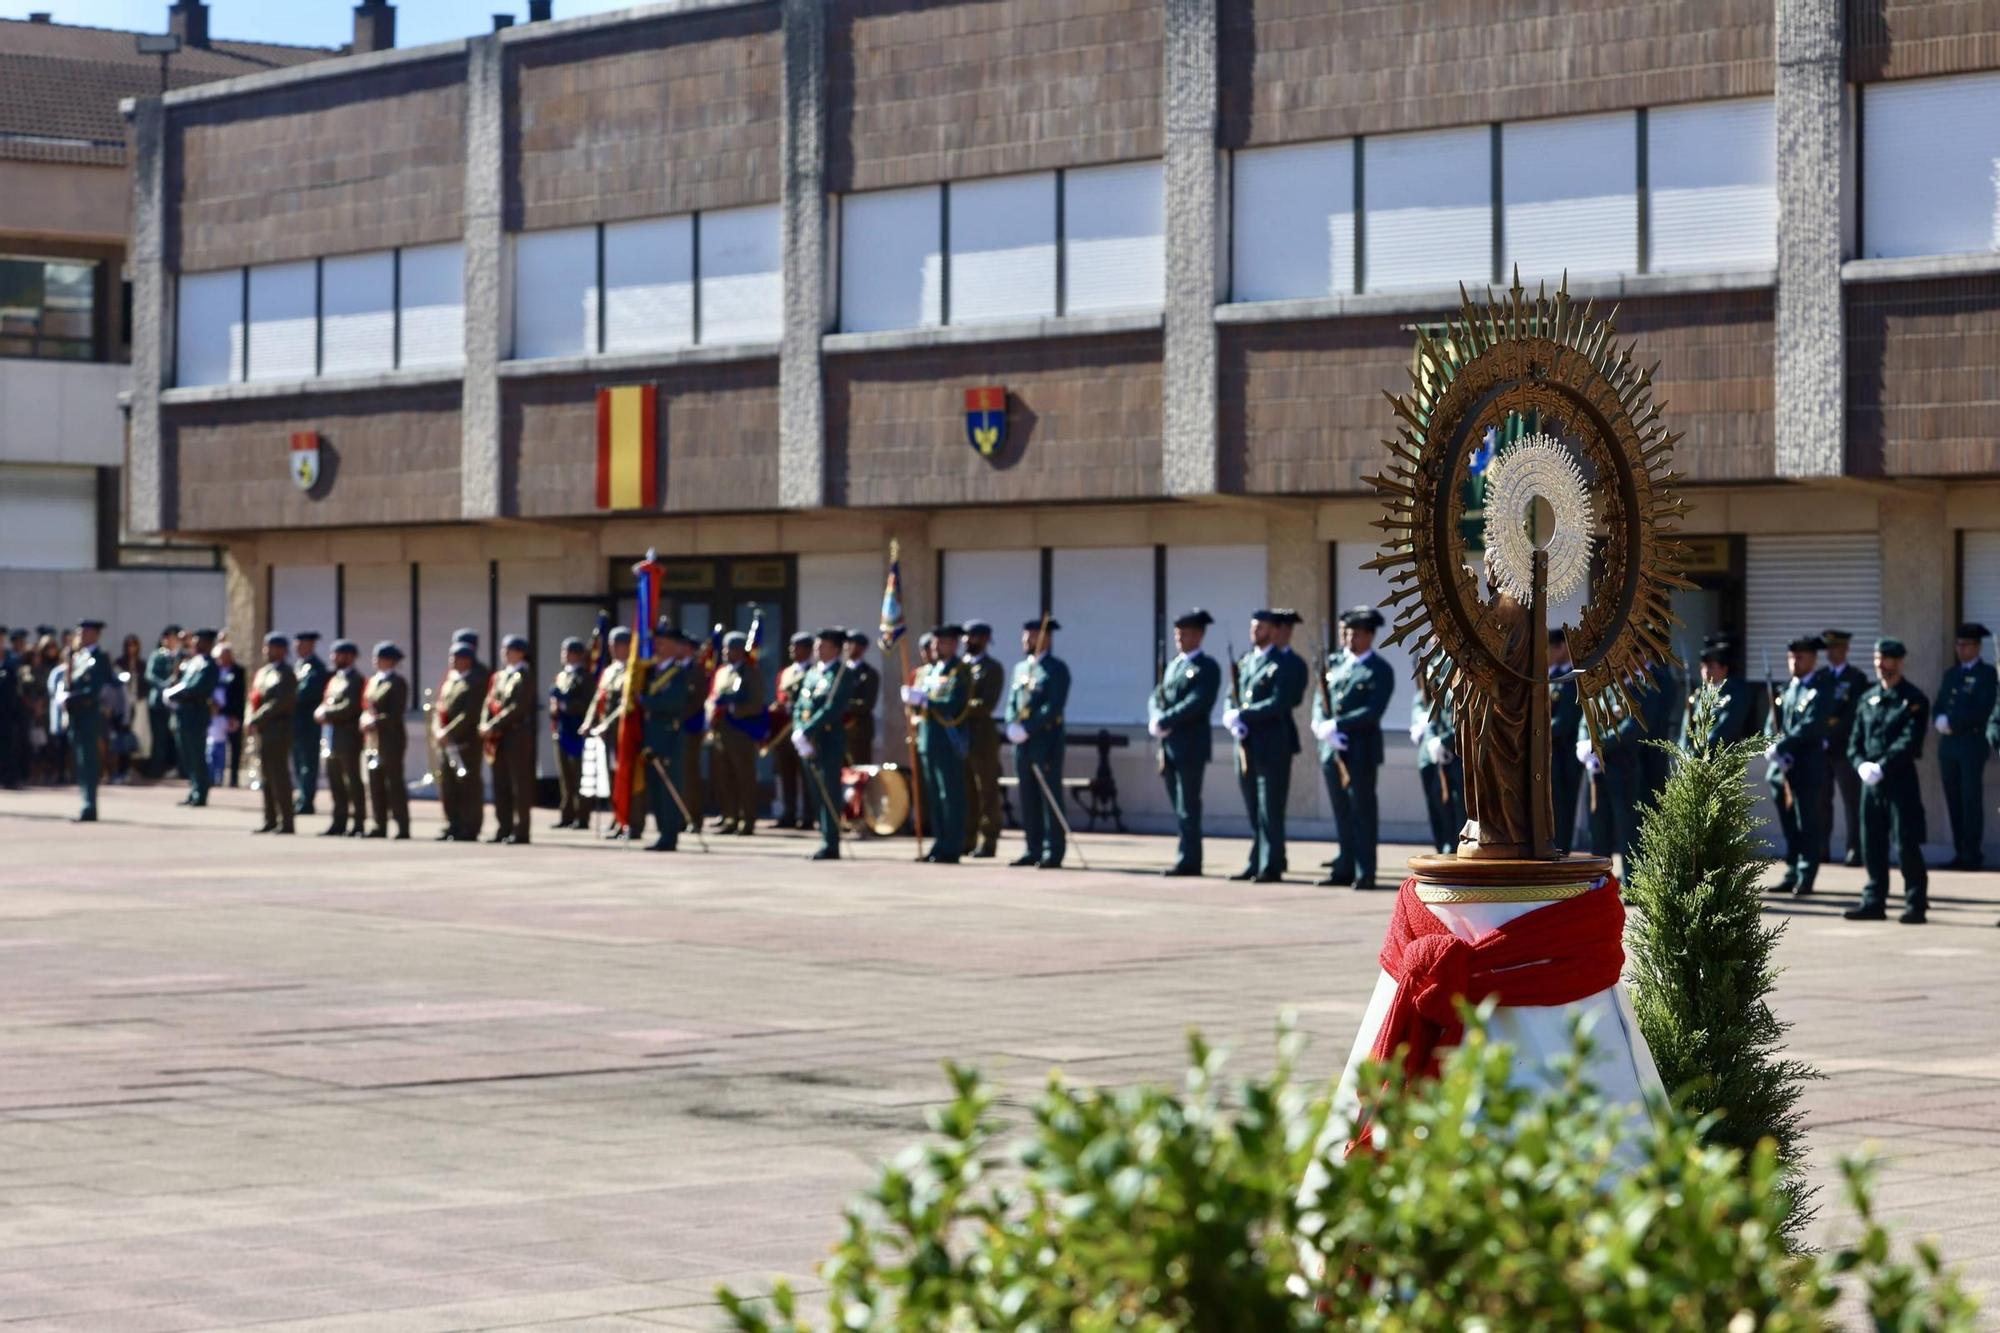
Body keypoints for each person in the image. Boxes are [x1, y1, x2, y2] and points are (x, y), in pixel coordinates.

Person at [1844, 637, 1931, 925]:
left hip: (1899, 780)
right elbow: (1854, 740)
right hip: (1871, 783)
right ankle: (1874, 900)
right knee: (1871, 843)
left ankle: (1915, 903)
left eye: (1887, 659)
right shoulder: (1867, 698)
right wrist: (1860, 765)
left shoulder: (1913, 699)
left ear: (1900, 661)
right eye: (1878, 659)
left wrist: (1882, 766)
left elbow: (1909, 741)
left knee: (1906, 843)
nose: (1881, 665)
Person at [1312, 606, 1396, 890]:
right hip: (1332, 751)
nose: (1349, 638)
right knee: (1341, 811)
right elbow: (1319, 698)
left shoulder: (1379, 670)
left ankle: (1365, 870)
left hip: (1360, 750)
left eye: (1356, 634)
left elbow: (1373, 710)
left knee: (1362, 811)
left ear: (1370, 636)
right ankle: (1344, 866)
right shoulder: (1334, 664)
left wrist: (1339, 725)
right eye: (1346, 633)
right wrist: (1322, 725)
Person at [1225, 609, 1307, 883]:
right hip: (1246, 744)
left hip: (1272, 744)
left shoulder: (1282, 664)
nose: (1254, 632)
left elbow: (1280, 701)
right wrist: (1231, 715)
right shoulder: (1246, 661)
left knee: (1270, 807)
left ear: (1272, 631)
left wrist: (1244, 714)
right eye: (1253, 626)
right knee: (1253, 808)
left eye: (1260, 627)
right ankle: (1257, 859)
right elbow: (1232, 694)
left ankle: (1271, 864)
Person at [1149, 608, 1221, 877]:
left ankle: (1190, 860)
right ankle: (1185, 855)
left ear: (1199, 635)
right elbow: (1157, 695)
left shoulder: (1206, 667)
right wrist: (1156, 716)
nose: (1180, 638)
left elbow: (1197, 702)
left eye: (1186, 633)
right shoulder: (1173, 666)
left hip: (1191, 746)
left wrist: (1166, 719)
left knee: (1189, 805)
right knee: (1179, 807)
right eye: (1178, 633)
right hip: (1169, 746)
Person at [1764, 635, 1833, 897]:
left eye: (1800, 656)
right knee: (1789, 823)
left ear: (1813, 659)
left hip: (1806, 766)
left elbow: (1811, 727)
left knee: (1807, 823)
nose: (1794, 661)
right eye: (1791, 656)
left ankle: (1806, 875)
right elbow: (1772, 724)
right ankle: (1791, 870)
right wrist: (1772, 744)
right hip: (1782, 770)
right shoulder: (1786, 689)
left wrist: (1784, 747)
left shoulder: (1820, 689)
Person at [1006, 617, 1072, 869]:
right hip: (1021, 743)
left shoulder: (1056, 669)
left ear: (1045, 638)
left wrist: (1028, 727)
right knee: (1027, 796)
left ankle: (1052, 849)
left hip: (1045, 741)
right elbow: (1013, 700)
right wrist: (1012, 723)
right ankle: (1032, 847)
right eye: (1025, 637)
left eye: (1031, 637)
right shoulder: (1021, 668)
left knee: (1048, 795)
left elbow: (1053, 706)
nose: (1026, 641)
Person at [907, 623, 972, 863]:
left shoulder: (959, 671)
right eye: (934, 643)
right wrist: (914, 701)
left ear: (953, 644)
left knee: (950, 795)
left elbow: (955, 703)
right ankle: (939, 842)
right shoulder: (930, 671)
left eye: (940, 642)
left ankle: (952, 846)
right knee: (934, 796)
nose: (934, 647)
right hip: (928, 739)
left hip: (948, 740)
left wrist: (926, 701)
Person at [1933, 622, 1994, 871]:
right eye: (1958, 644)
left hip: (1971, 742)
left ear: (1977, 647)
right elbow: (1939, 703)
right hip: (1949, 745)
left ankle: (1972, 853)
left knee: (1970, 799)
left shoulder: (1986, 674)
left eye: (1966, 644)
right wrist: (1938, 719)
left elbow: (1983, 708)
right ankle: (1959, 851)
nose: (1961, 649)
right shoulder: (1952, 674)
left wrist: (1954, 722)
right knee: (1954, 799)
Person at [793, 626, 857, 860]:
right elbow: (800, 703)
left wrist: (808, 730)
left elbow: (833, 708)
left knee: (829, 791)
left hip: (828, 739)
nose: (817, 649)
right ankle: (824, 838)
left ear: (836, 649)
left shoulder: (842, 673)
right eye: (817, 645)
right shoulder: (812, 673)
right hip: (809, 742)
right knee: (816, 792)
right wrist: (798, 729)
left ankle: (831, 843)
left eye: (823, 645)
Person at [637, 624, 696, 852]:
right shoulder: (650, 672)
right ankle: (662, 831)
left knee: (669, 787)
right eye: (657, 641)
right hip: (651, 735)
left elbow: (674, 702)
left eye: (663, 641)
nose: (658, 645)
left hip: (669, 735)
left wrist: (646, 702)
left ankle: (669, 836)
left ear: (674, 646)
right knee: (655, 787)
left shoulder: (679, 673)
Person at [1814, 629, 1869, 867]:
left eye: (1836, 648)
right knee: (1820, 800)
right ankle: (1821, 847)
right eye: (1829, 649)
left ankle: (1854, 849)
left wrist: (1832, 734)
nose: (1832, 653)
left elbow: (1853, 714)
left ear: (1846, 649)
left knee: (1852, 802)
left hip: (1844, 747)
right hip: (1820, 748)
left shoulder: (1856, 678)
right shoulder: (1821, 676)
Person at [481, 634, 536, 845]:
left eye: (510, 649)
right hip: (498, 737)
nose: (505, 653)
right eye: (504, 649)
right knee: (500, 783)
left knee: (518, 785)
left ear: (520, 653)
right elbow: (489, 702)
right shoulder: (500, 676)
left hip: (516, 734)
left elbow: (518, 707)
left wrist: (493, 725)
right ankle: (503, 827)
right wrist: (485, 724)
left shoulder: (525, 675)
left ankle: (521, 830)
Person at [707, 631, 764, 835]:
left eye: (729, 648)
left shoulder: (751, 672)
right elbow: (713, 697)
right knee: (724, 777)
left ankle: (747, 820)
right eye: (724, 648)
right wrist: (714, 710)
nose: (725, 652)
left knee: (744, 777)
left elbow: (756, 704)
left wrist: (732, 708)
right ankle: (730, 817)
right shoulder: (722, 672)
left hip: (741, 732)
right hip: (721, 731)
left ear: (740, 651)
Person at [961, 620, 1007, 859]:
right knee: (966, 790)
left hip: (982, 736)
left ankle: (988, 840)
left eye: (974, 637)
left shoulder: (992, 668)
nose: (968, 641)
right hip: (961, 735)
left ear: (985, 640)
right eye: (967, 637)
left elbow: (986, 703)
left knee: (986, 790)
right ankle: (966, 838)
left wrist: (957, 707)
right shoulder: (959, 667)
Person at [585, 627, 635, 840]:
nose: (614, 649)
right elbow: (599, 698)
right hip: (607, 734)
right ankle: (617, 817)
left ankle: (628, 820)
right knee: (612, 777)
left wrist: (608, 723)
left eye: (619, 645)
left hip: (622, 731)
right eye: (612, 645)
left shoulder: (632, 671)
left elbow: (626, 703)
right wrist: (589, 721)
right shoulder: (609, 670)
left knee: (624, 777)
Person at [315, 639, 369, 837]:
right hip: (331, 736)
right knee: (335, 781)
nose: (334, 658)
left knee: (352, 781)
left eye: (338, 654)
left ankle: (359, 823)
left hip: (348, 737)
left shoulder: (356, 680)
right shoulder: (335, 679)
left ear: (350, 657)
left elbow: (351, 706)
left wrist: (327, 714)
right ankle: (339, 821)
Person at [244, 632, 297, 833]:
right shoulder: (264, 672)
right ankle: (270, 819)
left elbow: (280, 702)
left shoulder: (286, 674)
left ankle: (287, 821)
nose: (266, 651)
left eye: (271, 647)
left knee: (279, 776)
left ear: (282, 650)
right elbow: (254, 697)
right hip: (263, 730)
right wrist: (250, 718)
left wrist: (257, 717)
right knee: (266, 776)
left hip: (278, 729)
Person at [433, 641, 484, 842]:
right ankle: (453, 824)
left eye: (456, 658)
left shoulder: (474, 681)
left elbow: (469, 714)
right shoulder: (450, 681)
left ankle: (469, 826)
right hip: (446, 742)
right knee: (448, 785)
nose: (452, 662)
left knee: (467, 786)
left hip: (465, 742)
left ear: (466, 660)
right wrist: (438, 730)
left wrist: (449, 731)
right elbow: (440, 708)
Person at [164, 628, 220, 807]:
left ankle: (201, 792)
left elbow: (196, 688)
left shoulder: (209, 665)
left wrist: (176, 693)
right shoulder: (193, 661)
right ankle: (194, 789)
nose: (195, 643)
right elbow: (180, 680)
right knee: (187, 756)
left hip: (196, 716)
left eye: (199, 640)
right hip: (183, 715)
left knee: (197, 755)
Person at [363, 641, 410, 840]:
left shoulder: (397, 683)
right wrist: (365, 719)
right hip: (373, 739)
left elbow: (395, 713)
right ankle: (378, 823)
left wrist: (375, 722)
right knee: (375, 783)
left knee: (394, 783)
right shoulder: (374, 681)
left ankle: (402, 825)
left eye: (380, 657)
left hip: (391, 738)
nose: (376, 661)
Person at [1410, 681, 1463, 857]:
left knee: (1459, 812)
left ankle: (1455, 853)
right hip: (1435, 757)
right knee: (1439, 809)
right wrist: (1432, 738)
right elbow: (1432, 713)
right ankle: (1444, 851)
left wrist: (1445, 741)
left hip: (1458, 758)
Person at [65, 620, 108, 823]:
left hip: (89, 716)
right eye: (79, 632)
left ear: (95, 635)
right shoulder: (79, 657)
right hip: (78, 717)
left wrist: (70, 699)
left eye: (85, 632)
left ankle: (89, 806)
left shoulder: (99, 658)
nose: (80, 635)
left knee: (89, 762)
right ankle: (85, 802)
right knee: (81, 763)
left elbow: (93, 691)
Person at [549, 636, 594, 830]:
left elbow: (587, 703)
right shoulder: (562, 676)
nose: (565, 656)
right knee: (565, 777)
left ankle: (581, 816)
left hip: (577, 731)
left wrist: (566, 705)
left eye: (569, 652)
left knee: (578, 776)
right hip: (562, 729)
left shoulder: (585, 677)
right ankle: (566, 814)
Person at [1679, 640, 1754, 751]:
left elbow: (1725, 731)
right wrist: (1684, 754)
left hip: (1721, 760)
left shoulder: (1733, 695)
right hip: (1696, 760)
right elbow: (1686, 730)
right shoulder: (1699, 695)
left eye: (1710, 666)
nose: (1705, 671)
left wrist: (1701, 754)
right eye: (1702, 667)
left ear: (1724, 669)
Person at [772, 632, 813, 829]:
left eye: (796, 646)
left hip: (803, 730)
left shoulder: (813, 672)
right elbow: (780, 697)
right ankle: (788, 813)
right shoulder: (785, 673)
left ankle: (807, 816)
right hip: (784, 731)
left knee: (806, 775)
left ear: (807, 649)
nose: (792, 650)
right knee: (786, 774)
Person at [1548, 629, 1583, 854]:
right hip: (1550, 754)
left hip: (1565, 755)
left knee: (1563, 807)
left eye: (1549, 647)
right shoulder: (1550, 676)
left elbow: (1567, 720)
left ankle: (1561, 851)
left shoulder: (1573, 677)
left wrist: (1537, 731)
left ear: (1562, 647)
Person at [289, 630, 329, 816]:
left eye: (301, 643)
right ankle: (301, 796)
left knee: (308, 763)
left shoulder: (316, 667)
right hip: (295, 722)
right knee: (297, 762)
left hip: (308, 723)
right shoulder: (299, 665)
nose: (297, 647)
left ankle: (307, 800)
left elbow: (304, 693)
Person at [144, 624, 182, 780]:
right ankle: (157, 769)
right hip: (159, 703)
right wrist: (166, 686)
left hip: (175, 703)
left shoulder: (179, 656)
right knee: (159, 738)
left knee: (175, 738)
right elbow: (150, 676)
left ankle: (178, 768)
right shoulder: (157, 655)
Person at [842, 631, 880, 766]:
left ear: (863, 648)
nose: (848, 648)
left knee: (860, 770)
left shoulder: (869, 673)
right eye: (847, 644)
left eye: (853, 644)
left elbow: (867, 704)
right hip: (839, 731)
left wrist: (841, 705)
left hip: (859, 732)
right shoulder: (840, 672)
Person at [216, 641, 246, 787]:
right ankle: (217, 776)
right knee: (217, 746)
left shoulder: (238, 671)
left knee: (235, 748)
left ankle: (234, 778)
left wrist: (235, 715)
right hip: (216, 714)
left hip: (232, 715)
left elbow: (239, 696)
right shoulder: (215, 670)